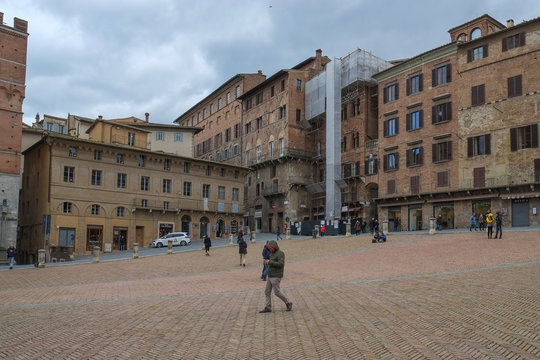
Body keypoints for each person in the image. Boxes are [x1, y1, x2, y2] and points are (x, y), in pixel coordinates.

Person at [259, 240, 292, 313]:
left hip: (276, 276)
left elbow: (281, 264)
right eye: (269, 248)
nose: (270, 249)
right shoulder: (272, 254)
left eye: (270, 248)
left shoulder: (280, 253)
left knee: (276, 291)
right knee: (267, 291)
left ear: (274, 247)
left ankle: (288, 302)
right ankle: (268, 307)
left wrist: (270, 262)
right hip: (270, 275)